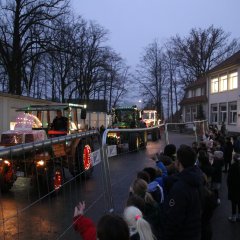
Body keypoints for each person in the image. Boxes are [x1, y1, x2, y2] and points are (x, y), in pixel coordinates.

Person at [163, 145, 203, 240]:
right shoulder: (197, 178)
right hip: (194, 232)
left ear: (179, 162)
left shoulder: (179, 188)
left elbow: (173, 220)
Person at [227, 153, 240, 222]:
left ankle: (233, 217)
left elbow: (229, 179)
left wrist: (229, 186)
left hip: (234, 187)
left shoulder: (232, 166)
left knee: (234, 202)